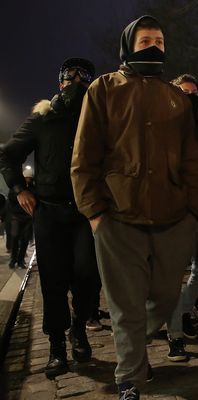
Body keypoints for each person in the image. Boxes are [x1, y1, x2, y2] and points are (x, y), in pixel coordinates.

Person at [71, 16, 198, 400]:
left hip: (172, 218)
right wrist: (95, 213)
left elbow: (192, 160)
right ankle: (129, 377)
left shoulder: (176, 97)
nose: (154, 46)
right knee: (125, 303)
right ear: (129, 45)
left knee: (164, 298)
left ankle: (132, 351)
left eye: (160, 40)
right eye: (145, 39)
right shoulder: (104, 89)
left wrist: (192, 210)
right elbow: (84, 156)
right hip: (117, 217)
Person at [0, 58, 99, 379]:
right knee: (53, 281)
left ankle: (79, 327)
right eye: (68, 75)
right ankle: (57, 346)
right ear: (59, 82)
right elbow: (8, 153)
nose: (75, 80)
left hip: (87, 212)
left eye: (82, 75)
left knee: (87, 275)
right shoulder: (43, 117)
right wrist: (18, 188)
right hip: (49, 212)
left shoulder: (99, 117)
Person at [164, 73, 198, 362]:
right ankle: (175, 337)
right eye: (184, 93)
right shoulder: (162, 129)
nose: (191, 97)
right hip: (172, 212)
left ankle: (183, 310)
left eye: (194, 93)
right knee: (173, 275)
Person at [7, 169, 34, 268]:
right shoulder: (16, 187)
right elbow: (11, 200)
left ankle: (21, 260)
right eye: (27, 178)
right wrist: (20, 192)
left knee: (25, 239)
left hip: (28, 217)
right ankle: (13, 259)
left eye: (30, 178)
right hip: (16, 217)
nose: (28, 180)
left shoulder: (33, 188)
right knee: (15, 237)